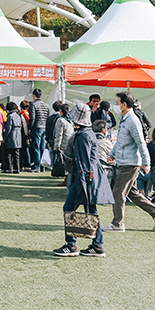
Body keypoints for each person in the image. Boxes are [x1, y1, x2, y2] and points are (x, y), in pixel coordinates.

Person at [54, 102, 114, 257]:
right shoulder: (87, 133)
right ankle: (97, 245)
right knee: (91, 210)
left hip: (85, 178)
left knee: (69, 208)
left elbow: (83, 163)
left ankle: (71, 245)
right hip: (89, 177)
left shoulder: (82, 136)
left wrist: (82, 183)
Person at [104, 92, 155, 233]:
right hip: (124, 161)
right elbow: (120, 140)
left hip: (130, 163)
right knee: (132, 193)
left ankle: (117, 223)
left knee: (118, 192)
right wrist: (113, 154)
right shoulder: (124, 119)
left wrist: (146, 163)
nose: (116, 105)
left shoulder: (133, 120)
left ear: (124, 104)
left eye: (117, 102)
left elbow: (141, 143)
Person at [28, 88, 49, 172]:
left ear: (34, 95)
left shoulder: (33, 105)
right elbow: (47, 117)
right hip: (44, 127)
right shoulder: (46, 105)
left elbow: (32, 118)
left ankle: (37, 166)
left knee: (36, 147)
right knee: (42, 147)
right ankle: (42, 165)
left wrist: (30, 128)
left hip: (37, 127)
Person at [1, 102, 24, 174]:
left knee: (9, 154)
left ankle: (9, 168)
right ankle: (17, 168)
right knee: (17, 154)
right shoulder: (19, 116)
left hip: (11, 136)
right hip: (18, 136)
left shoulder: (10, 116)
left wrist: (4, 137)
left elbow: (8, 128)